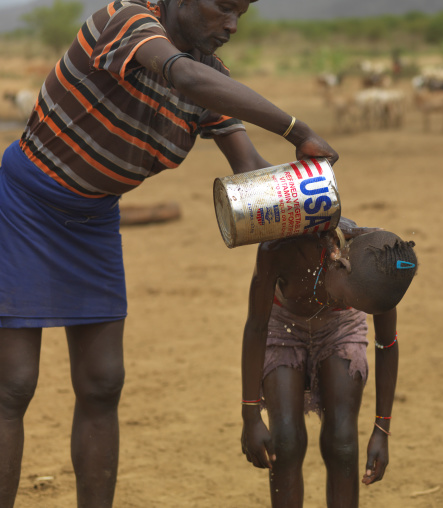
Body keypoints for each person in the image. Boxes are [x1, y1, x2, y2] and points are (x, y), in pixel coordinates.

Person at [0, 1, 339, 507]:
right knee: (13, 384)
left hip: (92, 222)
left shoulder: (209, 73)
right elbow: (184, 79)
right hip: (23, 204)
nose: (231, 25)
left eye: (240, 14)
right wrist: (297, 128)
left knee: (102, 382)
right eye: (224, 7)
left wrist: (322, 209)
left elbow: (249, 168)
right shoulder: (127, 19)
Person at [240, 217, 418, 508]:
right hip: (281, 324)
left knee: (343, 443)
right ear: (340, 263)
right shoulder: (281, 249)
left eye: (364, 309)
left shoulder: (380, 270)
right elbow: (257, 326)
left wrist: (381, 430)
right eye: (351, 300)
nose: (356, 308)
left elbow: (386, 343)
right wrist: (250, 414)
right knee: (284, 442)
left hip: (341, 329)